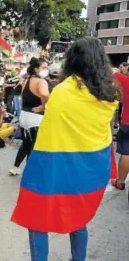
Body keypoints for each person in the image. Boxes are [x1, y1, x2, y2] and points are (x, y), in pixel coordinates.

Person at [11, 37, 119, 261]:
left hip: (56, 166)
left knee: (37, 219)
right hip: (92, 170)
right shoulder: (110, 96)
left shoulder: (63, 91)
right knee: (78, 220)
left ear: (73, 61)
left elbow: (52, 124)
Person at [9, 58, 49, 176]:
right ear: (36, 69)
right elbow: (45, 94)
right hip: (35, 118)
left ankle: (15, 167)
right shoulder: (41, 82)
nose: (45, 70)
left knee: (25, 144)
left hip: (24, 116)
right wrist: (43, 106)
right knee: (34, 145)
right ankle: (30, 172)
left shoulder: (26, 80)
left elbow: (23, 96)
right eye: (44, 67)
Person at [113, 71, 129, 196]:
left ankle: (120, 181)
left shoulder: (125, 81)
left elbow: (111, 71)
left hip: (127, 123)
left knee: (126, 152)